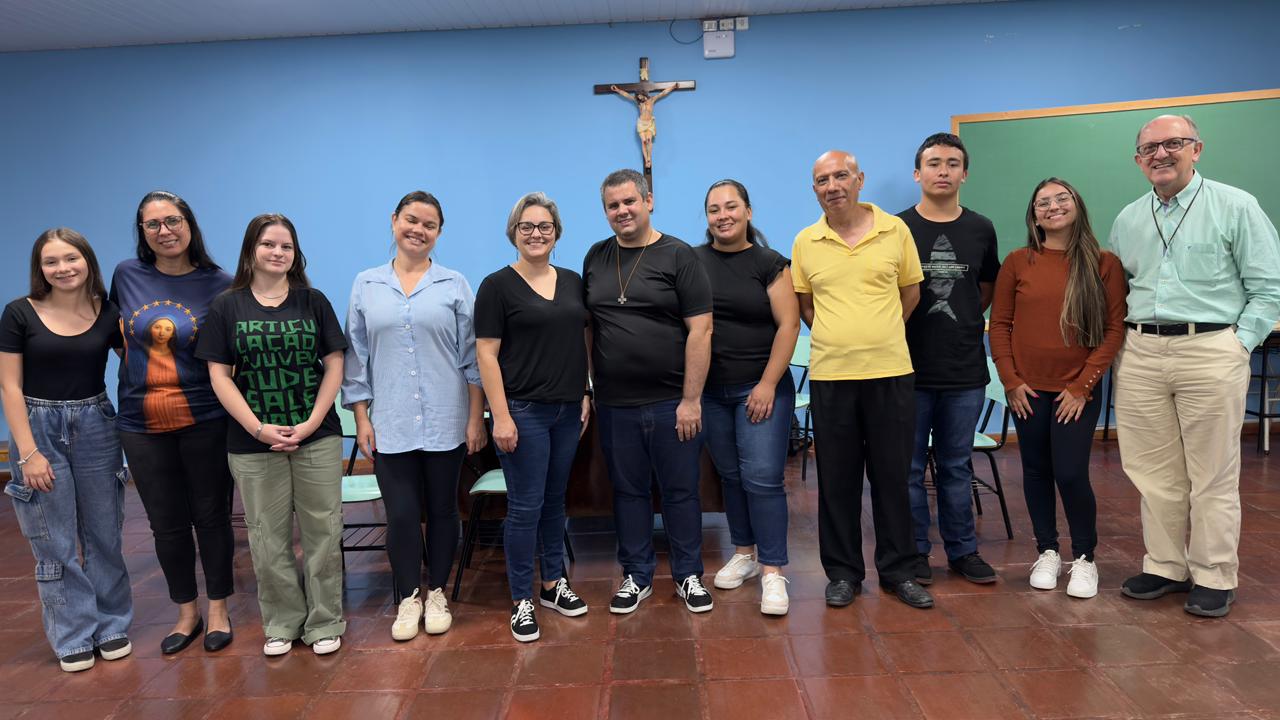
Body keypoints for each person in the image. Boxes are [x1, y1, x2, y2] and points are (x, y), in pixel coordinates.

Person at [1110, 114, 1280, 617]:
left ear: (1196, 149)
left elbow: (1268, 288)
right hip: (1141, 352)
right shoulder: (1129, 218)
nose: (1161, 155)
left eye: (1173, 144)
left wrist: (1238, 344)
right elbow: (1118, 288)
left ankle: (1213, 573)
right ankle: (1165, 566)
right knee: (1152, 471)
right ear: (1138, 160)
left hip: (1210, 349)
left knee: (1212, 472)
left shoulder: (1235, 205)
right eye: (1149, 149)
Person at [196, 214, 347, 656]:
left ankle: (324, 622)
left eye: (286, 246)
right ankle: (282, 623)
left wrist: (314, 420)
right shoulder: (228, 306)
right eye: (268, 244)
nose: (278, 253)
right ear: (251, 251)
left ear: (295, 253)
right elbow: (219, 376)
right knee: (267, 536)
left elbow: (334, 363)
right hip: (251, 442)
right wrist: (258, 428)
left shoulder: (313, 301)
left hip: (316, 436)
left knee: (323, 532)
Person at [791, 150, 933, 610]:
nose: (832, 186)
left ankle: (899, 571)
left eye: (840, 176)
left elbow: (910, 295)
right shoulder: (806, 241)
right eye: (821, 180)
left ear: (859, 180)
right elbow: (807, 306)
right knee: (837, 480)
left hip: (891, 373)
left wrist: (877, 332)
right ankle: (843, 573)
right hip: (832, 376)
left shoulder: (896, 231)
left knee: (894, 477)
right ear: (814, 189)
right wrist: (843, 336)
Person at [343, 191, 487, 640]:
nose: (418, 230)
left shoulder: (454, 284)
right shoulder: (367, 284)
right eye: (411, 220)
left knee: (444, 510)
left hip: (447, 418)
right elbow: (356, 358)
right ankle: (408, 597)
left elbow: (472, 359)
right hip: (392, 421)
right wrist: (363, 419)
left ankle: (437, 591)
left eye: (429, 224)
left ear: (439, 233)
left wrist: (475, 418)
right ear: (394, 222)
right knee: (403, 514)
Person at [0, 229, 132, 673]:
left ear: (87, 261)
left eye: (71, 258)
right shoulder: (20, 313)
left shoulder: (108, 312)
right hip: (39, 427)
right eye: (51, 262)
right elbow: (9, 385)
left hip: (96, 423)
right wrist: (26, 452)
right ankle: (72, 633)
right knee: (53, 541)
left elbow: (141, 362)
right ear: (40, 269)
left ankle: (111, 624)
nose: (63, 268)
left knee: (104, 534)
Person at [583, 169, 715, 615]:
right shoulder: (595, 258)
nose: (621, 211)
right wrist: (589, 386)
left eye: (628, 202)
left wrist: (691, 399)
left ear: (648, 201)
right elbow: (589, 328)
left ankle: (688, 575)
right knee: (628, 492)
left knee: (681, 491)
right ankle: (636, 576)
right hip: (616, 404)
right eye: (612, 206)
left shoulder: (679, 255)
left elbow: (701, 329)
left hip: (670, 403)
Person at [110, 190, 235, 654]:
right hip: (140, 421)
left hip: (205, 416)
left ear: (190, 224)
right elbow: (121, 339)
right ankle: (187, 611)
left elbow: (227, 355)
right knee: (165, 524)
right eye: (153, 224)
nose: (165, 231)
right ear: (142, 232)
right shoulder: (127, 275)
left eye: (173, 221)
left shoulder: (219, 283)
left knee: (212, 516)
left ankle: (219, 606)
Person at [989, 178, 1127, 599]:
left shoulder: (1104, 263)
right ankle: (1047, 550)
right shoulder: (1017, 262)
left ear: (1076, 205)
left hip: (1076, 392)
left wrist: (1083, 386)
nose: (1052, 207)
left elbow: (1112, 329)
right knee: (1035, 471)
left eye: (1061, 199)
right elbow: (999, 325)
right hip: (1027, 391)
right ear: (1034, 216)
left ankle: (1084, 558)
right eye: (1042, 203)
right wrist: (1011, 381)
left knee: (1069, 472)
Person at [475, 192, 592, 643]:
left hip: (567, 409)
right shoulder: (496, 286)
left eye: (544, 226)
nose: (536, 234)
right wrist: (499, 416)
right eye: (527, 227)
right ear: (514, 233)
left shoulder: (572, 280)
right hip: (522, 410)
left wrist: (585, 391)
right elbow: (486, 354)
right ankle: (521, 598)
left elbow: (581, 339)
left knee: (554, 500)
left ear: (557, 233)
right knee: (525, 506)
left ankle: (552, 585)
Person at [898, 133, 1001, 585]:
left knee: (957, 466)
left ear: (965, 173)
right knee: (910, 468)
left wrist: (957, 322)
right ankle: (916, 551)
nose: (943, 171)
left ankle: (963, 551)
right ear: (917, 173)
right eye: (934, 163)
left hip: (964, 371)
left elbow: (986, 288)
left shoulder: (981, 228)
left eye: (953, 163)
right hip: (906, 370)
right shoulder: (895, 228)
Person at [695, 179, 800, 616]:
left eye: (731, 206)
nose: (723, 215)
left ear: (748, 212)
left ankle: (774, 572)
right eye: (714, 209)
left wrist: (767, 384)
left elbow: (789, 325)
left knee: (762, 478)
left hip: (760, 388)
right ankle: (745, 553)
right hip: (711, 392)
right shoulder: (693, 261)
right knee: (732, 477)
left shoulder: (769, 263)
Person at [610, 84, 675, 169]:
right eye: (639, 97)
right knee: (644, 141)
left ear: (644, 94)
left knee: (649, 140)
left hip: (649, 123)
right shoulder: (639, 103)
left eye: (641, 96)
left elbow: (662, 93)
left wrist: (673, 87)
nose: (641, 98)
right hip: (641, 123)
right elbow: (627, 95)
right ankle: (646, 160)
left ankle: (649, 158)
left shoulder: (652, 100)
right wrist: (618, 90)